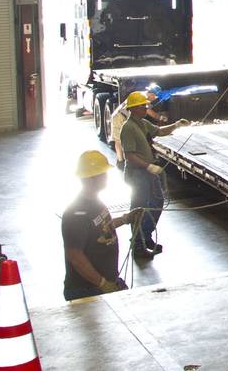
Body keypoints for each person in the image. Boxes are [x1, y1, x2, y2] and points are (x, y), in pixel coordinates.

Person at [62, 150, 142, 300]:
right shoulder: (76, 214)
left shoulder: (95, 202)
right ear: (91, 178)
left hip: (106, 281)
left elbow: (102, 227)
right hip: (87, 289)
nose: (106, 178)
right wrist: (102, 283)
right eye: (103, 174)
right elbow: (75, 255)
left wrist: (125, 219)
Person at [120, 91, 190, 258]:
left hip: (148, 171)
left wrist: (176, 125)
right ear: (134, 108)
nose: (146, 108)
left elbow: (159, 131)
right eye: (143, 106)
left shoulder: (142, 123)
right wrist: (148, 166)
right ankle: (138, 244)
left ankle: (146, 236)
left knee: (157, 202)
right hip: (137, 173)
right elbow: (129, 155)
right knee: (139, 207)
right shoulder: (128, 128)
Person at [111, 83, 167, 170]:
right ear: (152, 94)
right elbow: (148, 110)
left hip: (126, 117)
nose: (155, 99)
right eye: (155, 96)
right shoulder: (142, 97)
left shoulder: (144, 96)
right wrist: (159, 117)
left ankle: (123, 160)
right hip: (119, 117)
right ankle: (120, 161)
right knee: (118, 139)